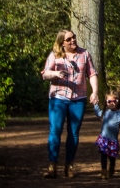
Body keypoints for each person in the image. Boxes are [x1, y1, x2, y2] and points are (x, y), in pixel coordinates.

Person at [40, 29, 99, 178]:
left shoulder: (84, 54)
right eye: (69, 39)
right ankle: (52, 166)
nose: (73, 40)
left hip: (78, 99)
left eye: (74, 37)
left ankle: (69, 166)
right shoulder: (55, 55)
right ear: (62, 43)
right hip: (58, 98)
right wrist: (56, 73)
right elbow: (45, 74)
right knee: (56, 131)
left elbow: (92, 74)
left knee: (73, 133)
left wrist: (95, 92)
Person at [94, 92, 120, 180]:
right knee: (103, 155)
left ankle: (112, 167)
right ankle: (103, 171)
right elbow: (98, 113)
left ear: (117, 102)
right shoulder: (105, 113)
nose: (112, 103)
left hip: (113, 140)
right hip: (104, 139)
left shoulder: (119, 113)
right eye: (109, 101)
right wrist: (95, 103)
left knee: (112, 157)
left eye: (114, 101)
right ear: (106, 102)